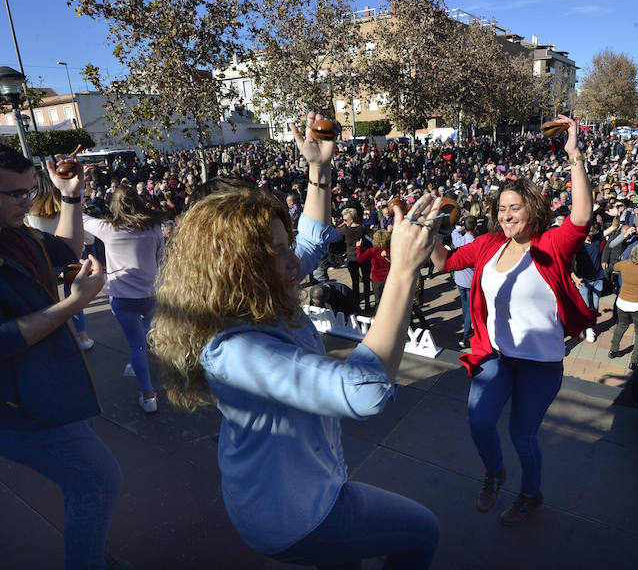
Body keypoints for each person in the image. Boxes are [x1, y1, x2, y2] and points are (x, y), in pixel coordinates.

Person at [148, 112, 440, 568]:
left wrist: (319, 171)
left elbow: (311, 241)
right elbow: (364, 392)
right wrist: (402, 272)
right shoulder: (234, 350)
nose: (293, 261)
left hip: (306, 492)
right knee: (423, 530)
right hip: (294, 515)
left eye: (285, 246)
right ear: (235, 271)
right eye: (276, 253)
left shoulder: (258, 292)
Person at [0, 140, 125, 569]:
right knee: (98, 480)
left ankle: (91, 553)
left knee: (85, 481)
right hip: (10, 407)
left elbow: (64, 250)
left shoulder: (11, 228)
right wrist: (73, 304)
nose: (27, 202)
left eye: (30, 190)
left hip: (49, 385)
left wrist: (71, 196)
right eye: (16, 194)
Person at [430, 115, 596, 526]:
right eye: (501, 208)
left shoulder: (551, 244)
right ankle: (494, 472)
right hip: (496, 356)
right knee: (479, 419)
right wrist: (430, 228)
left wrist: (574, 154)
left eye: (514, 207)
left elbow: (581, 216)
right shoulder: (487, 244)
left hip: (540, 364)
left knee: (523, 436)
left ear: (532, 208)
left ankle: (530, 495)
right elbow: (445, 262)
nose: (505, 215)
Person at [83, 186, 165, 413]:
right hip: (150, 294)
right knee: (146, 335)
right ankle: (143, 367)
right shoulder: (154, 228)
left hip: (121, 297)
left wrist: (76, 189)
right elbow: (161, 260)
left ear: (113, 207)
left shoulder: (108, 229)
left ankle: (148, 395)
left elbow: (80, 217)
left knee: (135, 344)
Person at [26, 169, 95, 351]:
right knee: (74, 299)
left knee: (49, 303)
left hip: (45, 261)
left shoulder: (29, 212)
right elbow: (88, 238)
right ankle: (83, 337)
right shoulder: (66, 209)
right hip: (71, 259)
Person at [337, 207, 372, 312]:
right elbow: (371, 236)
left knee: (355, 281)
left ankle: (357, 304)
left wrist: (339, 224)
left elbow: (335, 232)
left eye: (345, 220)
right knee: (366, 280)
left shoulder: (345, 229)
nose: (344, 222)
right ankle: (367, 304)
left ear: (351, 219)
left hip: (352, 256)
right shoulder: (363, 227)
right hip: (363, 255)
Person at [452, 215, 478, 348]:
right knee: (470, 308)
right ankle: (466, 334)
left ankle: (467, 329)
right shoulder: (475, 243)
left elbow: (454, 232)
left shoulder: (458, 240)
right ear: (476, 227)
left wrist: (462, 227)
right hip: (470, 280)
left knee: (464, 305)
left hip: (459, 278)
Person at [357, 229, 391, 310]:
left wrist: (358, 247)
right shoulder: (391, 250)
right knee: (390, 302)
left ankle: (378, 315)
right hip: (389, 279)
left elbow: (360, 259)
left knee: (378, 302)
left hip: (377, 280)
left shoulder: (372, 251)